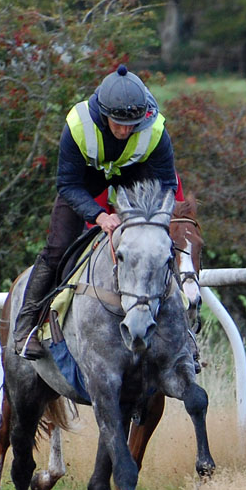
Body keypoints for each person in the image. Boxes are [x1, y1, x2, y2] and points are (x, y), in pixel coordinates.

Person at [14, 64, 179, 359]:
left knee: (157, 247)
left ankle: (183, 334)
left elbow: (167, 184)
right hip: (85, 183)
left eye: (133, 125)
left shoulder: (155, 129)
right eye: (118, 124)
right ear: (104, 115)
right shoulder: (77, 125)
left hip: (134, 182)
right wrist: (100, 216)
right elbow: (67, 184)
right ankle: (26, 328)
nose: (126, 130)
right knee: (58, 248)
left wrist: (156, 222)